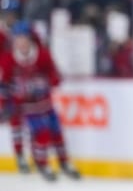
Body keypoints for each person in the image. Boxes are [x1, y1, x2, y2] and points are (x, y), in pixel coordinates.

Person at [0, 21, 81, 181]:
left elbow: (54, 75)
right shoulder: (9, 59)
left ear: (30, 39)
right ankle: (40, 163)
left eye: (23, 39)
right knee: (40, 133)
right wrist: (4, 103)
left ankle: (64, 162)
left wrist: (50, 81)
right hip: (25, 106)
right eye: (18, 39)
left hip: (45, 103)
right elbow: (4, 84)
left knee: (57, 132)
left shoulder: (42, 55)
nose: (21, 43)